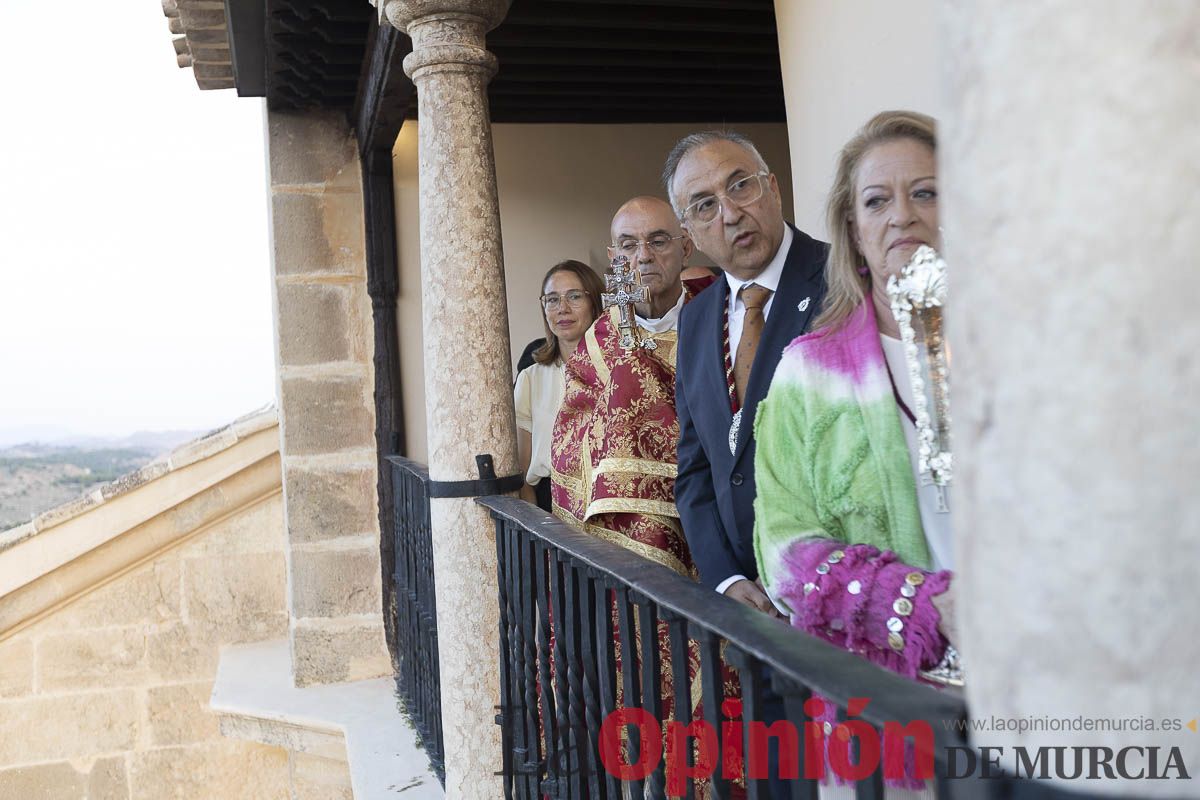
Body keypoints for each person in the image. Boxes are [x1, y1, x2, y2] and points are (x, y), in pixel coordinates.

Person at [753, 110, 954, 793]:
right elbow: (783, 550)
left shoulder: (1029, 349)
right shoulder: (809, 372)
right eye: (878, 200)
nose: (903, 215)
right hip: (887, 717)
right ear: (854, 230)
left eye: (927, 191)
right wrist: (926, 607)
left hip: (1045, 692)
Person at [550, 197, 725, 794]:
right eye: (626, 245)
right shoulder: (600, 342)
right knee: (647, 688)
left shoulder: (721, 315)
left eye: (655, 241)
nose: (640, 256)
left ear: (686, 246)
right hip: (630, 546)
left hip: (717, 538)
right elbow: (571, 437)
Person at [667, 131, 828, 612]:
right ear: (690, 235)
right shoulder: (695, 319)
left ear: (774, 188)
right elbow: (695, 467)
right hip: (749, 608)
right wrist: (725, 576)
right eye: (704, 206)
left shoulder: (843, 280)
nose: (731, 213)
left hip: (838, 595)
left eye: (741, 186)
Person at [513, 260, 604, 512]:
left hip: (605, 501)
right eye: (552, 299)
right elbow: (523, 473)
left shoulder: (617, 370)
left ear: (595, 302)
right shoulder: (531, 378)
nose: (562, 308)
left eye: (574, 296)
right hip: (548, 504)